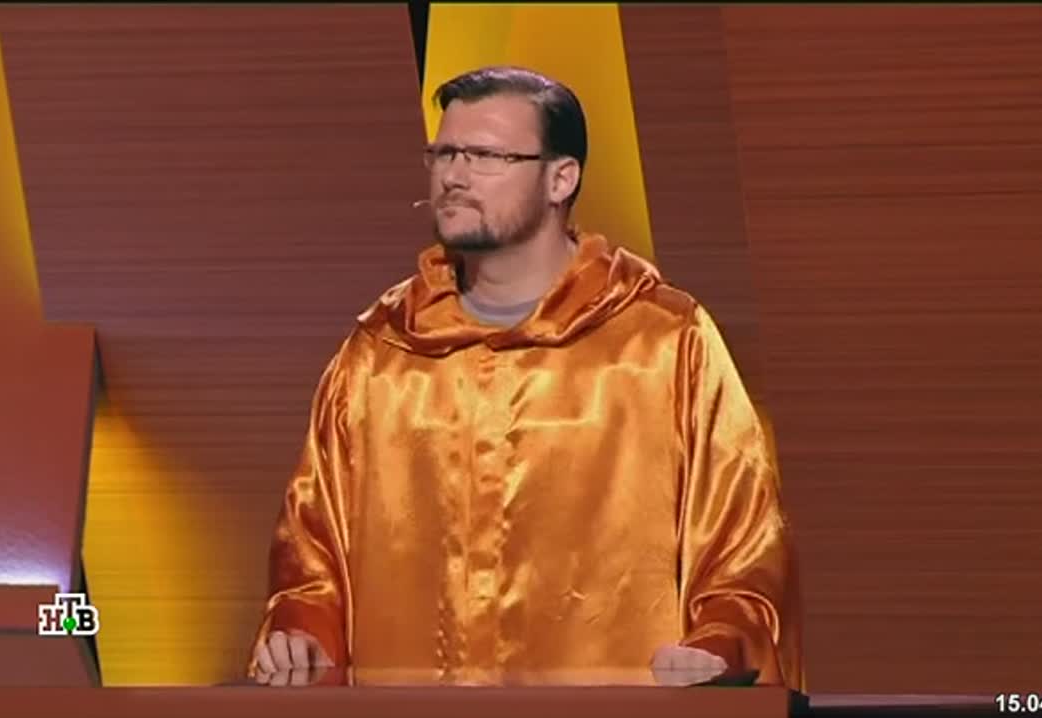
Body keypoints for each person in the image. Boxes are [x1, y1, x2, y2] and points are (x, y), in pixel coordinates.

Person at [247, 65, 803, 690]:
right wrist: (301, 636)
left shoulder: (664, 343)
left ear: (561, 178)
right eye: (444, 154)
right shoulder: (380, 355)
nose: (454, 176)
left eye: (486, 156)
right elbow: (312, 559)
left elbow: (742, 554)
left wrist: (718, 647)